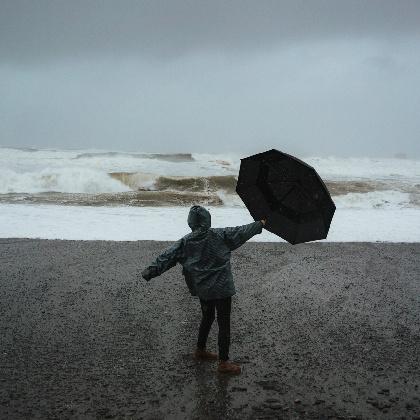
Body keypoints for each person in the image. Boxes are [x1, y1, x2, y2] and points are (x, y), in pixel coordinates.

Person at [141, 204, 266, 375]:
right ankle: (223, 362)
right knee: (224, 323)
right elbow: (243, 231)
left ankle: (200, 350)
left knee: (207, 317)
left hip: (203, 289)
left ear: (190, 223)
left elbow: (166, 257)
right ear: (208, 220)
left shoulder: (185, 242)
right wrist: (261, 223)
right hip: (222, 289)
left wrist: (151, 271)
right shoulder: (221, 235)